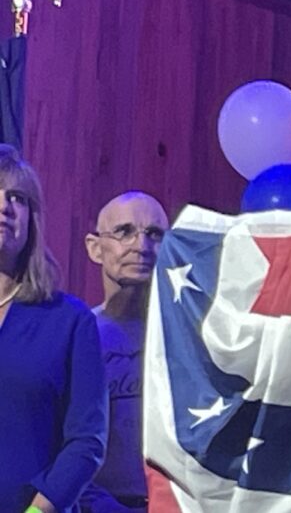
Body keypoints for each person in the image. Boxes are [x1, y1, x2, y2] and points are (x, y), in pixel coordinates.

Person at [0, 144, 107, 512]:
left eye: (17, 198)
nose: (4, 206)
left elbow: (87, 441)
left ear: (31, 219)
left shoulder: (69, 320)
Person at [79, 192, 169, 513]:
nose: (141, 246)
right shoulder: (78, 336)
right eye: (124, 232)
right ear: (95, 247)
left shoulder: (188, 340)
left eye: (155, 234)